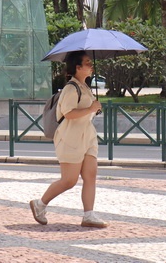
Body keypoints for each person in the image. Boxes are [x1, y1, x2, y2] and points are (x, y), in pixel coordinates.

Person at [30, 50, 107, 228]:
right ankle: (40, 204)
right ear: (78, 67)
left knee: (90, 175)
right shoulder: (71, 88)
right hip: (70, 138)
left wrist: (94, 108)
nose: (91, 65)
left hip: (87, 136)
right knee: (69, 180)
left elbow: (85, 111)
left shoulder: (84, 87)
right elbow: (68, 113)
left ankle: (88, 215)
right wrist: (90, 109)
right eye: (87, 63)